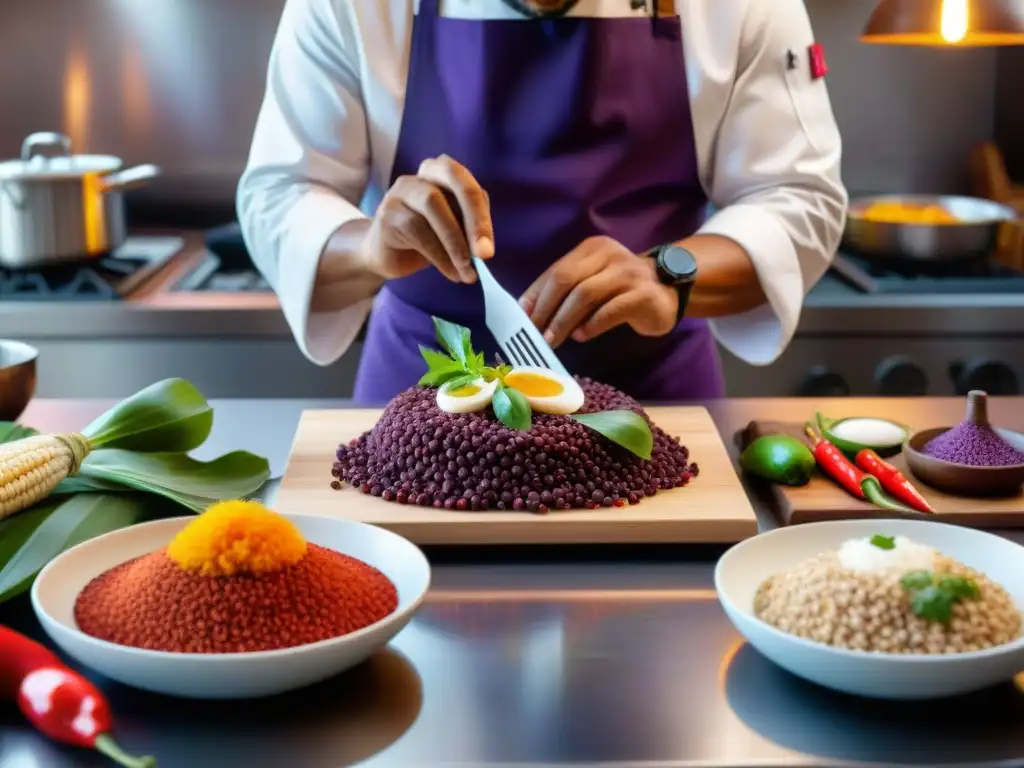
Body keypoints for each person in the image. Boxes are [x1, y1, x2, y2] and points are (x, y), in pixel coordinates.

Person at [238, 0, 847, 403]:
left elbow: (797, 198)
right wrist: (369, 248)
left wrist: (667, 276)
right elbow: (281, 195)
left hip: (654, 407)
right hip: (419, 403)